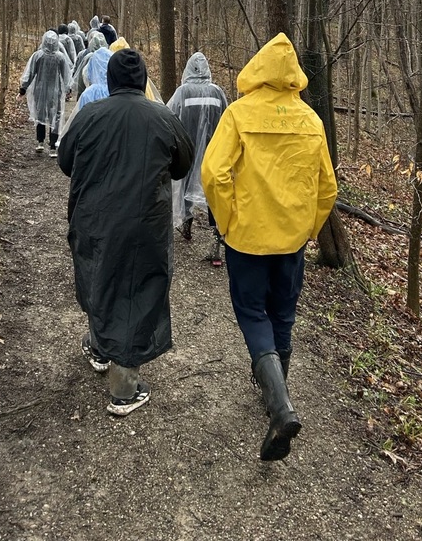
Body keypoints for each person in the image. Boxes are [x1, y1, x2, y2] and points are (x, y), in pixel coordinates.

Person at [201, 32, 337, 461]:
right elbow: (327, 189)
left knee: (252, 313)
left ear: (257, 70)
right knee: (283, 312)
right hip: (291, 240)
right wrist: (308, 229)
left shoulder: (240, 114)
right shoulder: (311, 120)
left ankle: (279, 405)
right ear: (293, 76)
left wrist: (228, 221)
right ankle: (277, 396)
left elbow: (213, 174)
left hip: (247, 239)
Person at [58, 49, 194, 416]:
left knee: (98, 278)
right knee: (137, 291)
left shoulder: (89, 115)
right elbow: (183, 164)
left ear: (112, 79)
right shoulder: (162, 117)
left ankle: (104, 352)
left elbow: (65, 161)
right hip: (143, 225)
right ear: (142, 80)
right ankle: (122, 384)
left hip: (93, 219)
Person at [166, 52, 228, 261]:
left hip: (187, 150)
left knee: (184, 185)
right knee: (213, 192)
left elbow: (169, 116)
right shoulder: (217, 93)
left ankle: (187, 224)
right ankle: (217, 236)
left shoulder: (183, 92)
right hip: (215, 152)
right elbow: (228, 119)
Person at [19, 30, 71, 157]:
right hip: (55, 91)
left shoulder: (38, 55)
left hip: (40, 90)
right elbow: (66, 76)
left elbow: (30, 73)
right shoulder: (60, 57)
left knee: (40, 115)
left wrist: (23, 88)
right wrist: (68, 88)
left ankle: (40, 142)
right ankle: (53, 146)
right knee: (56, 117)